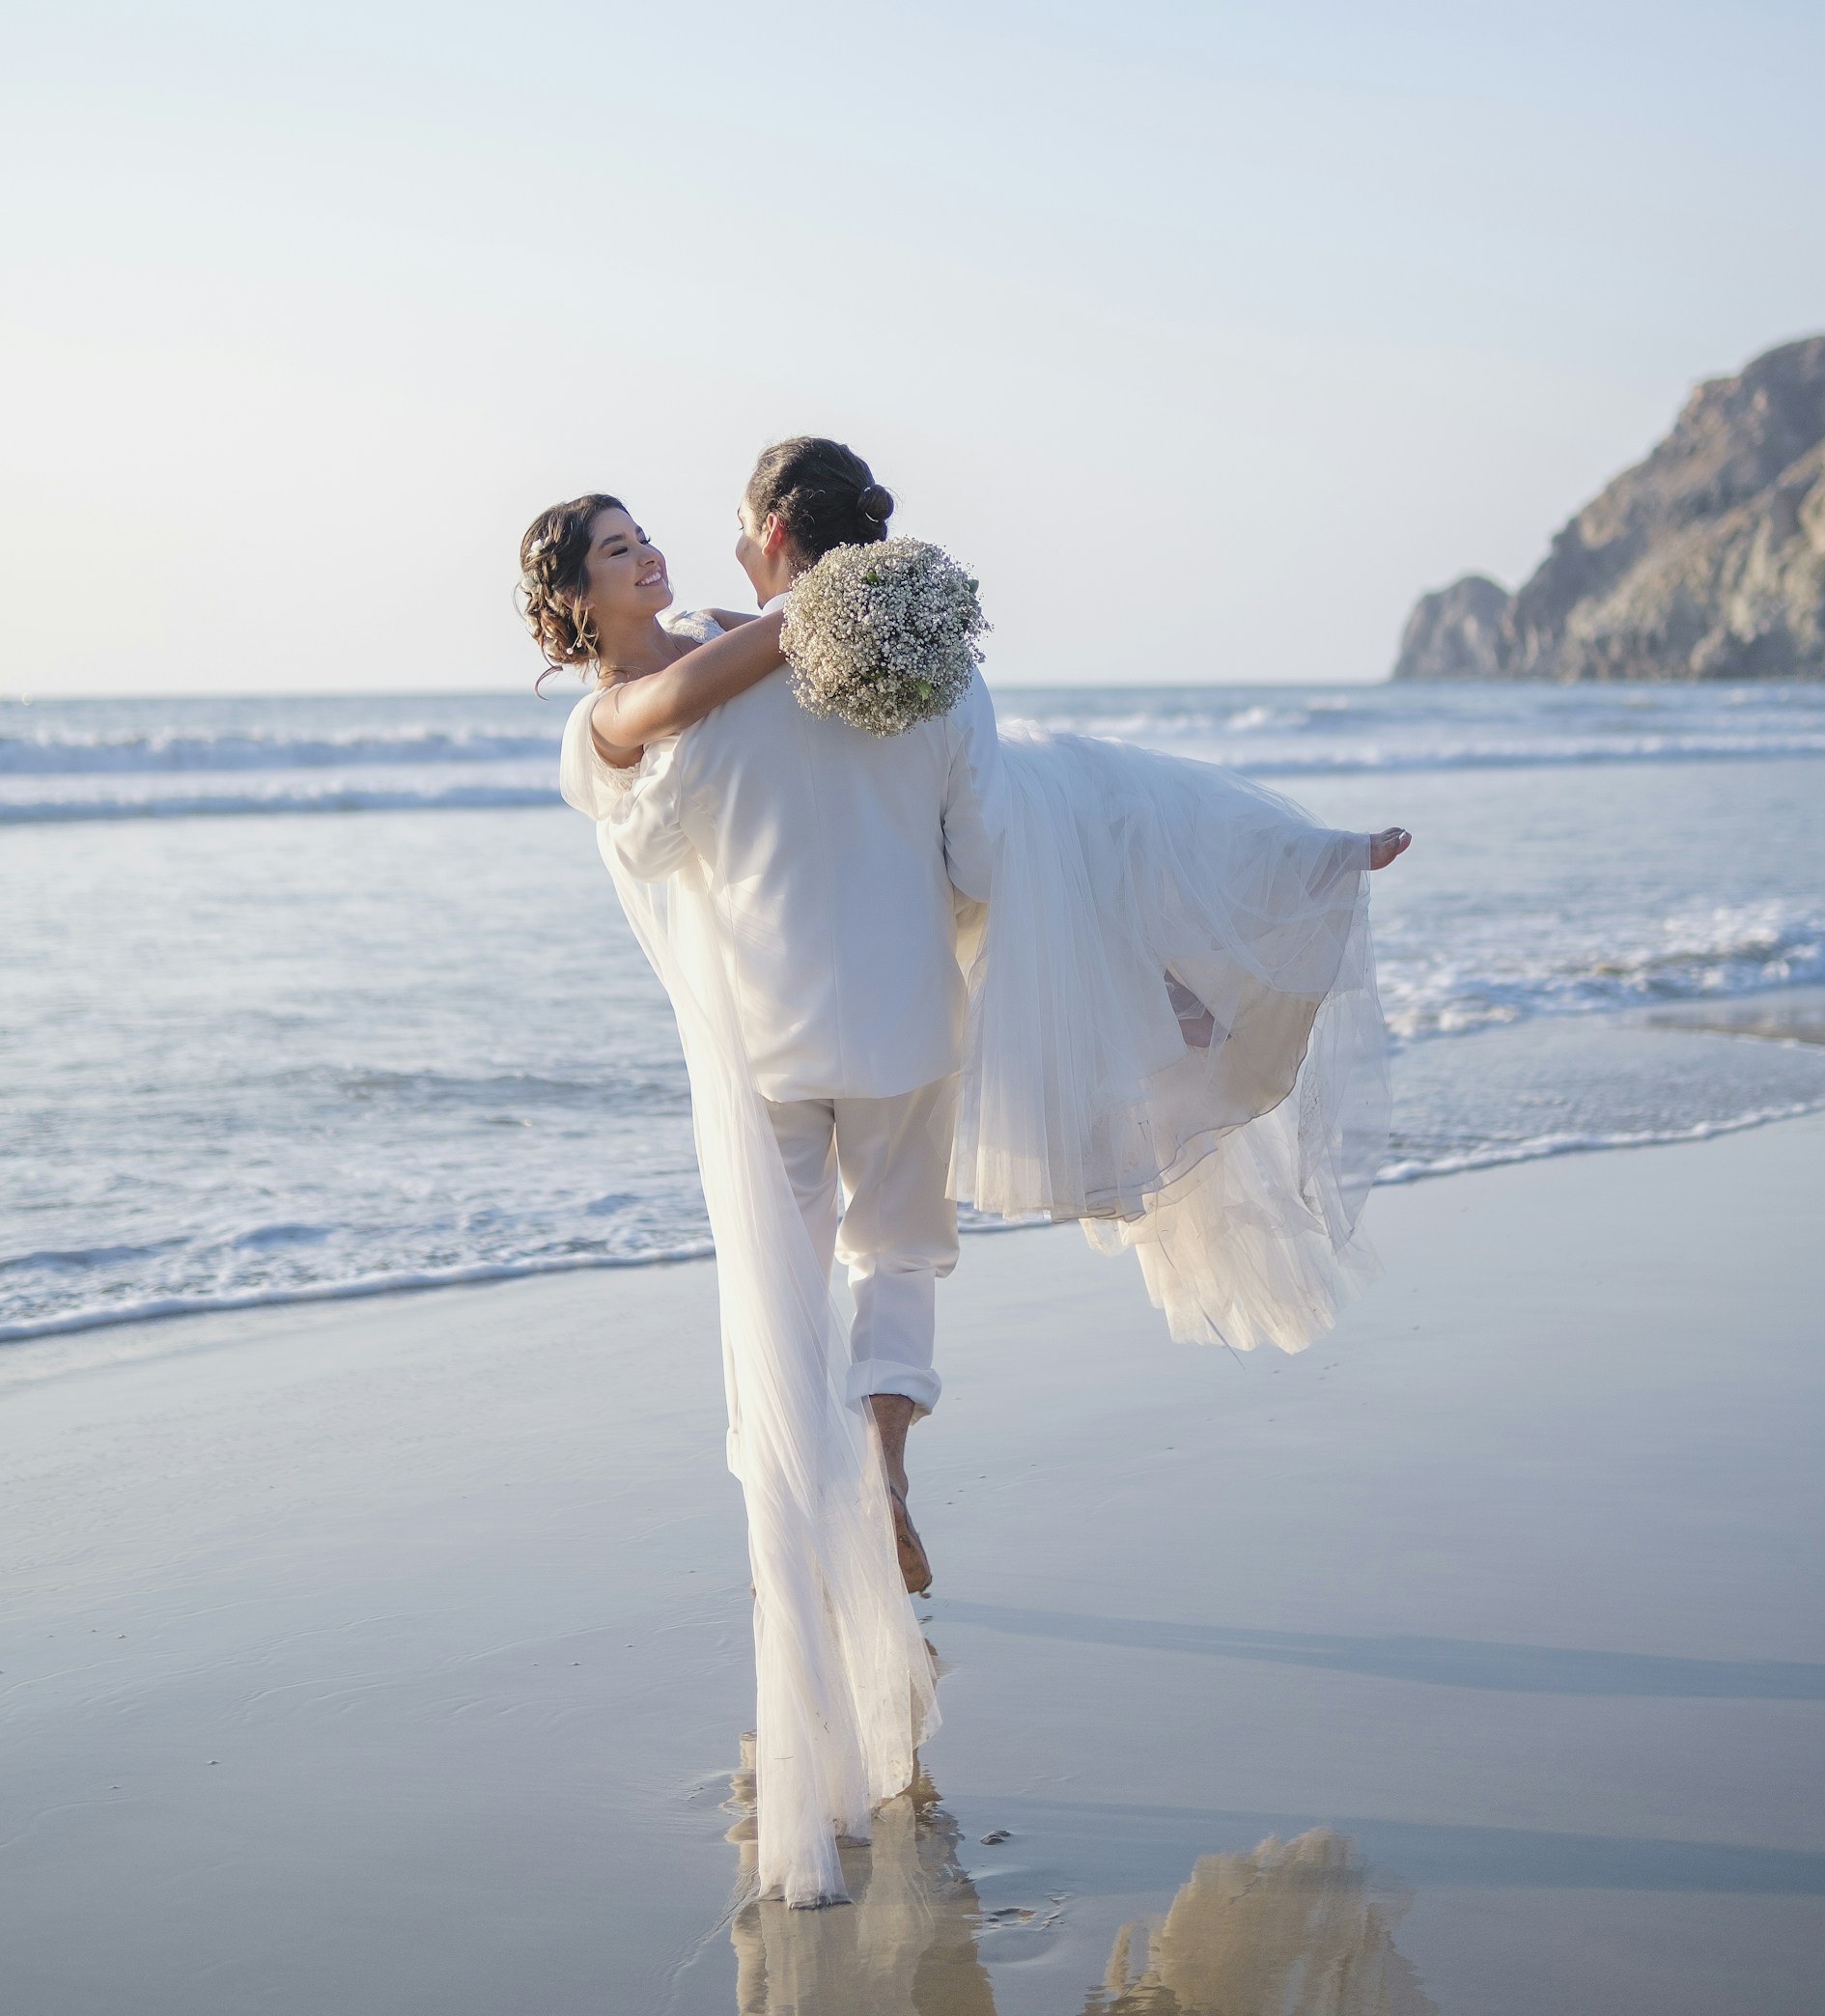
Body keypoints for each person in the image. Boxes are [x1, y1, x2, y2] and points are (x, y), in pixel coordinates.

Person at [522, 442, 1410, 1907]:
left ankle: (806, 1577)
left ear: (764, 541)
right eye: (618, 549)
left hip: (765, 1047)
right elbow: (1020, 842)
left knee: (774, 1320)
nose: (660, 557)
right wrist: (1200, 925)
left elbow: (673, 797)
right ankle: (882, 1468)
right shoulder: (909, 675)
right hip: (901, 1031)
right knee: (899, 1259)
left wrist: (822, 631)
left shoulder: (689, 709)